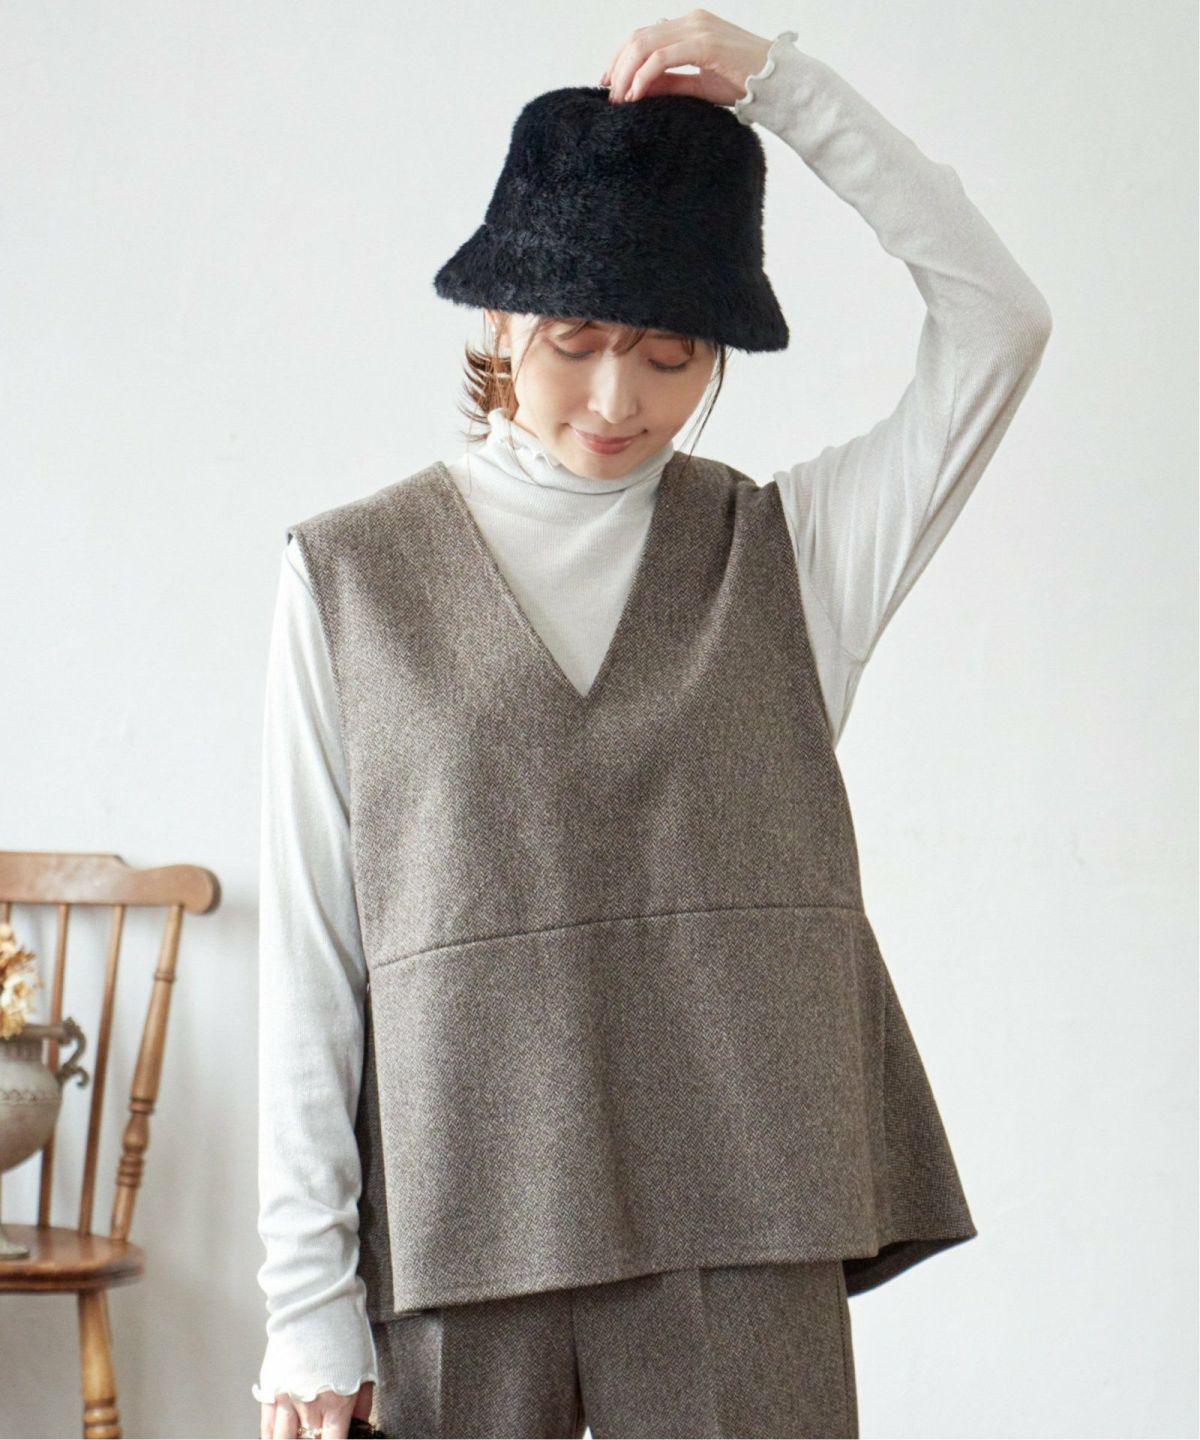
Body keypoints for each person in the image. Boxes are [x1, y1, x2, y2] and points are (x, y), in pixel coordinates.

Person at [254, 13, 1052, 1439]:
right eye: (575, 343)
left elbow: (1000, 321)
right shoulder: (349, 578)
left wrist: (783, 86)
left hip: (746, 1211)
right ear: (500, 321)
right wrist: (304, 1299)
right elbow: (314, 952)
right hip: (459, 1222)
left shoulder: (791, 555)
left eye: (676, 357)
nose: (619, 401)